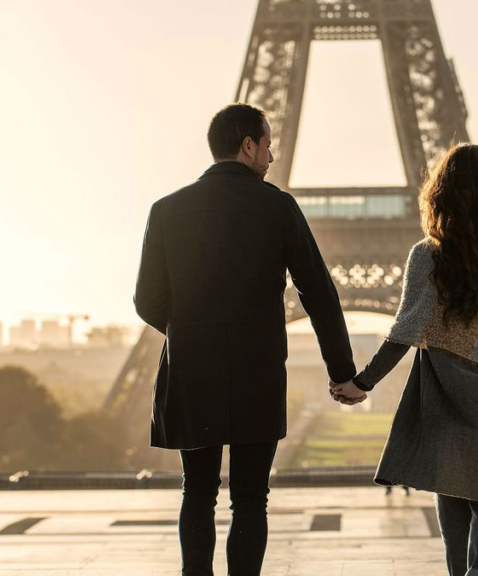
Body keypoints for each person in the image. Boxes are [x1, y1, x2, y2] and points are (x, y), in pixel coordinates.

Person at [133, 103, 357, 576]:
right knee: (251, 498)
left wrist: (191, 332)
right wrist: (343, 372)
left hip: (192, 372)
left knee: (197, 491)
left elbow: (146, 300)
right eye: (268, 144)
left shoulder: (166, 210)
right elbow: (318, 291)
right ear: (248, 144)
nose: (272, 156)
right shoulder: (277, 207)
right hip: (256, 371)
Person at [330, 143, 478, 576]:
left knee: (450, 491)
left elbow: (407, 329)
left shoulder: (428, 254)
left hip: (445, 391)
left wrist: (363, 382)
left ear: (441, 195)